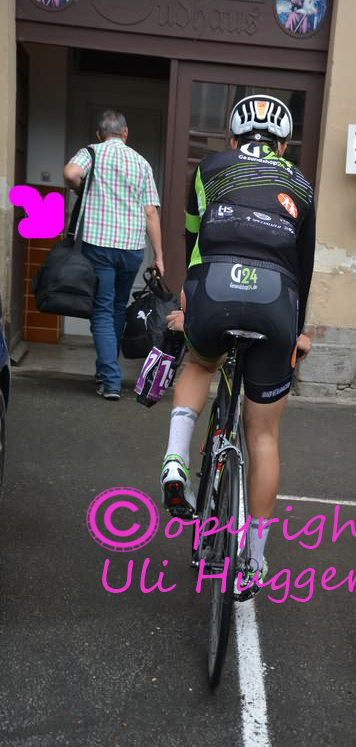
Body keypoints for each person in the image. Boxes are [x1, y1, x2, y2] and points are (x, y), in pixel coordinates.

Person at [162, 94, 316, 599]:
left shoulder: (209, 168)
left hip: (214, 290)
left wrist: (188, 305)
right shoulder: (301, 184)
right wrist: (297, 331)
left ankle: (175, 460)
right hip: (277, 301)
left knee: (201, 361)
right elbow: (304, 268)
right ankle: (253, 559)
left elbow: (193, 241)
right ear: (284, 145)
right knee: (263, 436)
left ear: (231, 138)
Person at [64, 109, 164, 401]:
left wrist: (80, 188)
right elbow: (150, 212)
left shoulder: (91, 152)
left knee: (102, 310)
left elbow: (70, 174)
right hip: (131, 249)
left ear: (99, 134)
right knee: (117, 307)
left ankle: (110, 381)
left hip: (99, 246)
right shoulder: (141, 163)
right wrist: (159, 256)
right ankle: (105, 372)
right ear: (125, 133)